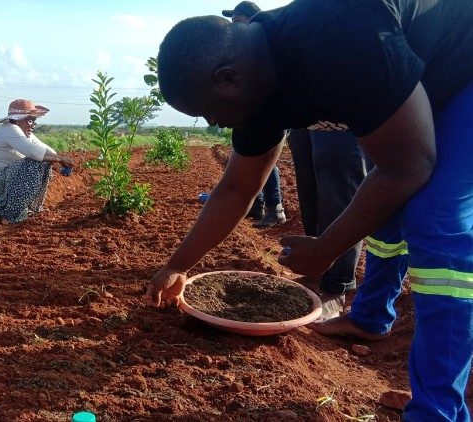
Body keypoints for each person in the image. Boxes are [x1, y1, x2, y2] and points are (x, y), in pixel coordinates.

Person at [147, 3, 473, 419]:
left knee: (435, 219)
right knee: (387, 211)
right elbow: (236, 188)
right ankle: (370, 319)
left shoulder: (338, 38)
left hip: (464, 70)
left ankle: (438, 410)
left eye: (207, 111)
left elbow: (408, 165)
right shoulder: (254, 91)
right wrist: (177, 265)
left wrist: (325, 250)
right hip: (417, 77)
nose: (214, 121)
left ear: (227, 78)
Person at [287, 129, 371, 317]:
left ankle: (336, 285)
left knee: (338, 175)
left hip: (342, 109)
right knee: (309, 184)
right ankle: (316, 271)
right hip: (307, 108)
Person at [223, 1, 286, 229]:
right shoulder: (239, 48)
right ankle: (257, 207)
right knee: (252, 159)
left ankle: (274, 208)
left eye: (238, 20)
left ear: (253, 20)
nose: (234, 25)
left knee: (267, 162)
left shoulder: (266, 44)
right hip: (251, 116)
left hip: (270, 114)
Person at [0, 99, 74, 223]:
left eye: (34, 121)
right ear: (18, 119)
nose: (33, 125)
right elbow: (34, 152)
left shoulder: (24, 133)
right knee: (34, 162)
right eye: (30, 120)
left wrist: (58, 162)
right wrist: (60, 159)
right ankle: (12, 214)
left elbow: (44, 148)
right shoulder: (10, 129)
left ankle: (21, 209)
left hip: (0, 182)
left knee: (44, 161)